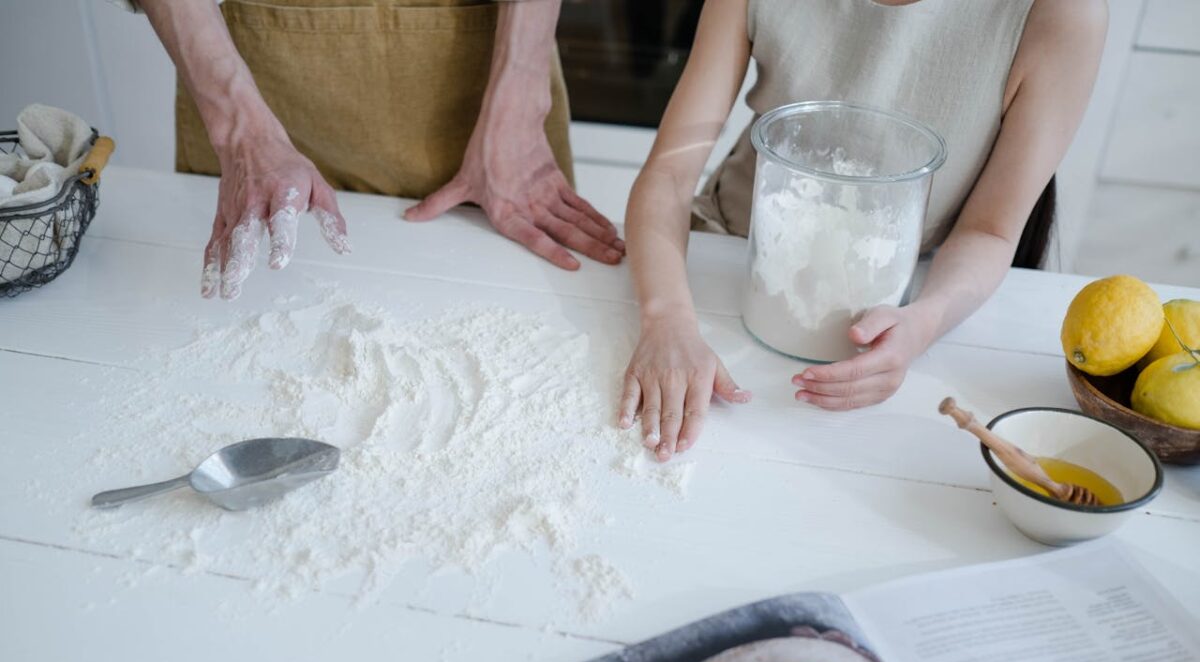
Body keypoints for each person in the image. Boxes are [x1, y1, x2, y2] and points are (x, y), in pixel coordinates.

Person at [618, 0, 1106, 462]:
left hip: (896, 300)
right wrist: (667, 321)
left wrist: (923, 323)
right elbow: (669, 176)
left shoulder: (1062, 14)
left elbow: (989, 232)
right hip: (726, 260)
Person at [111, 0, 625, 299]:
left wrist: (520, 90)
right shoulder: (242, 127)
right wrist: (239, 129)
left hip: (496, 87)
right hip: (251, 89)